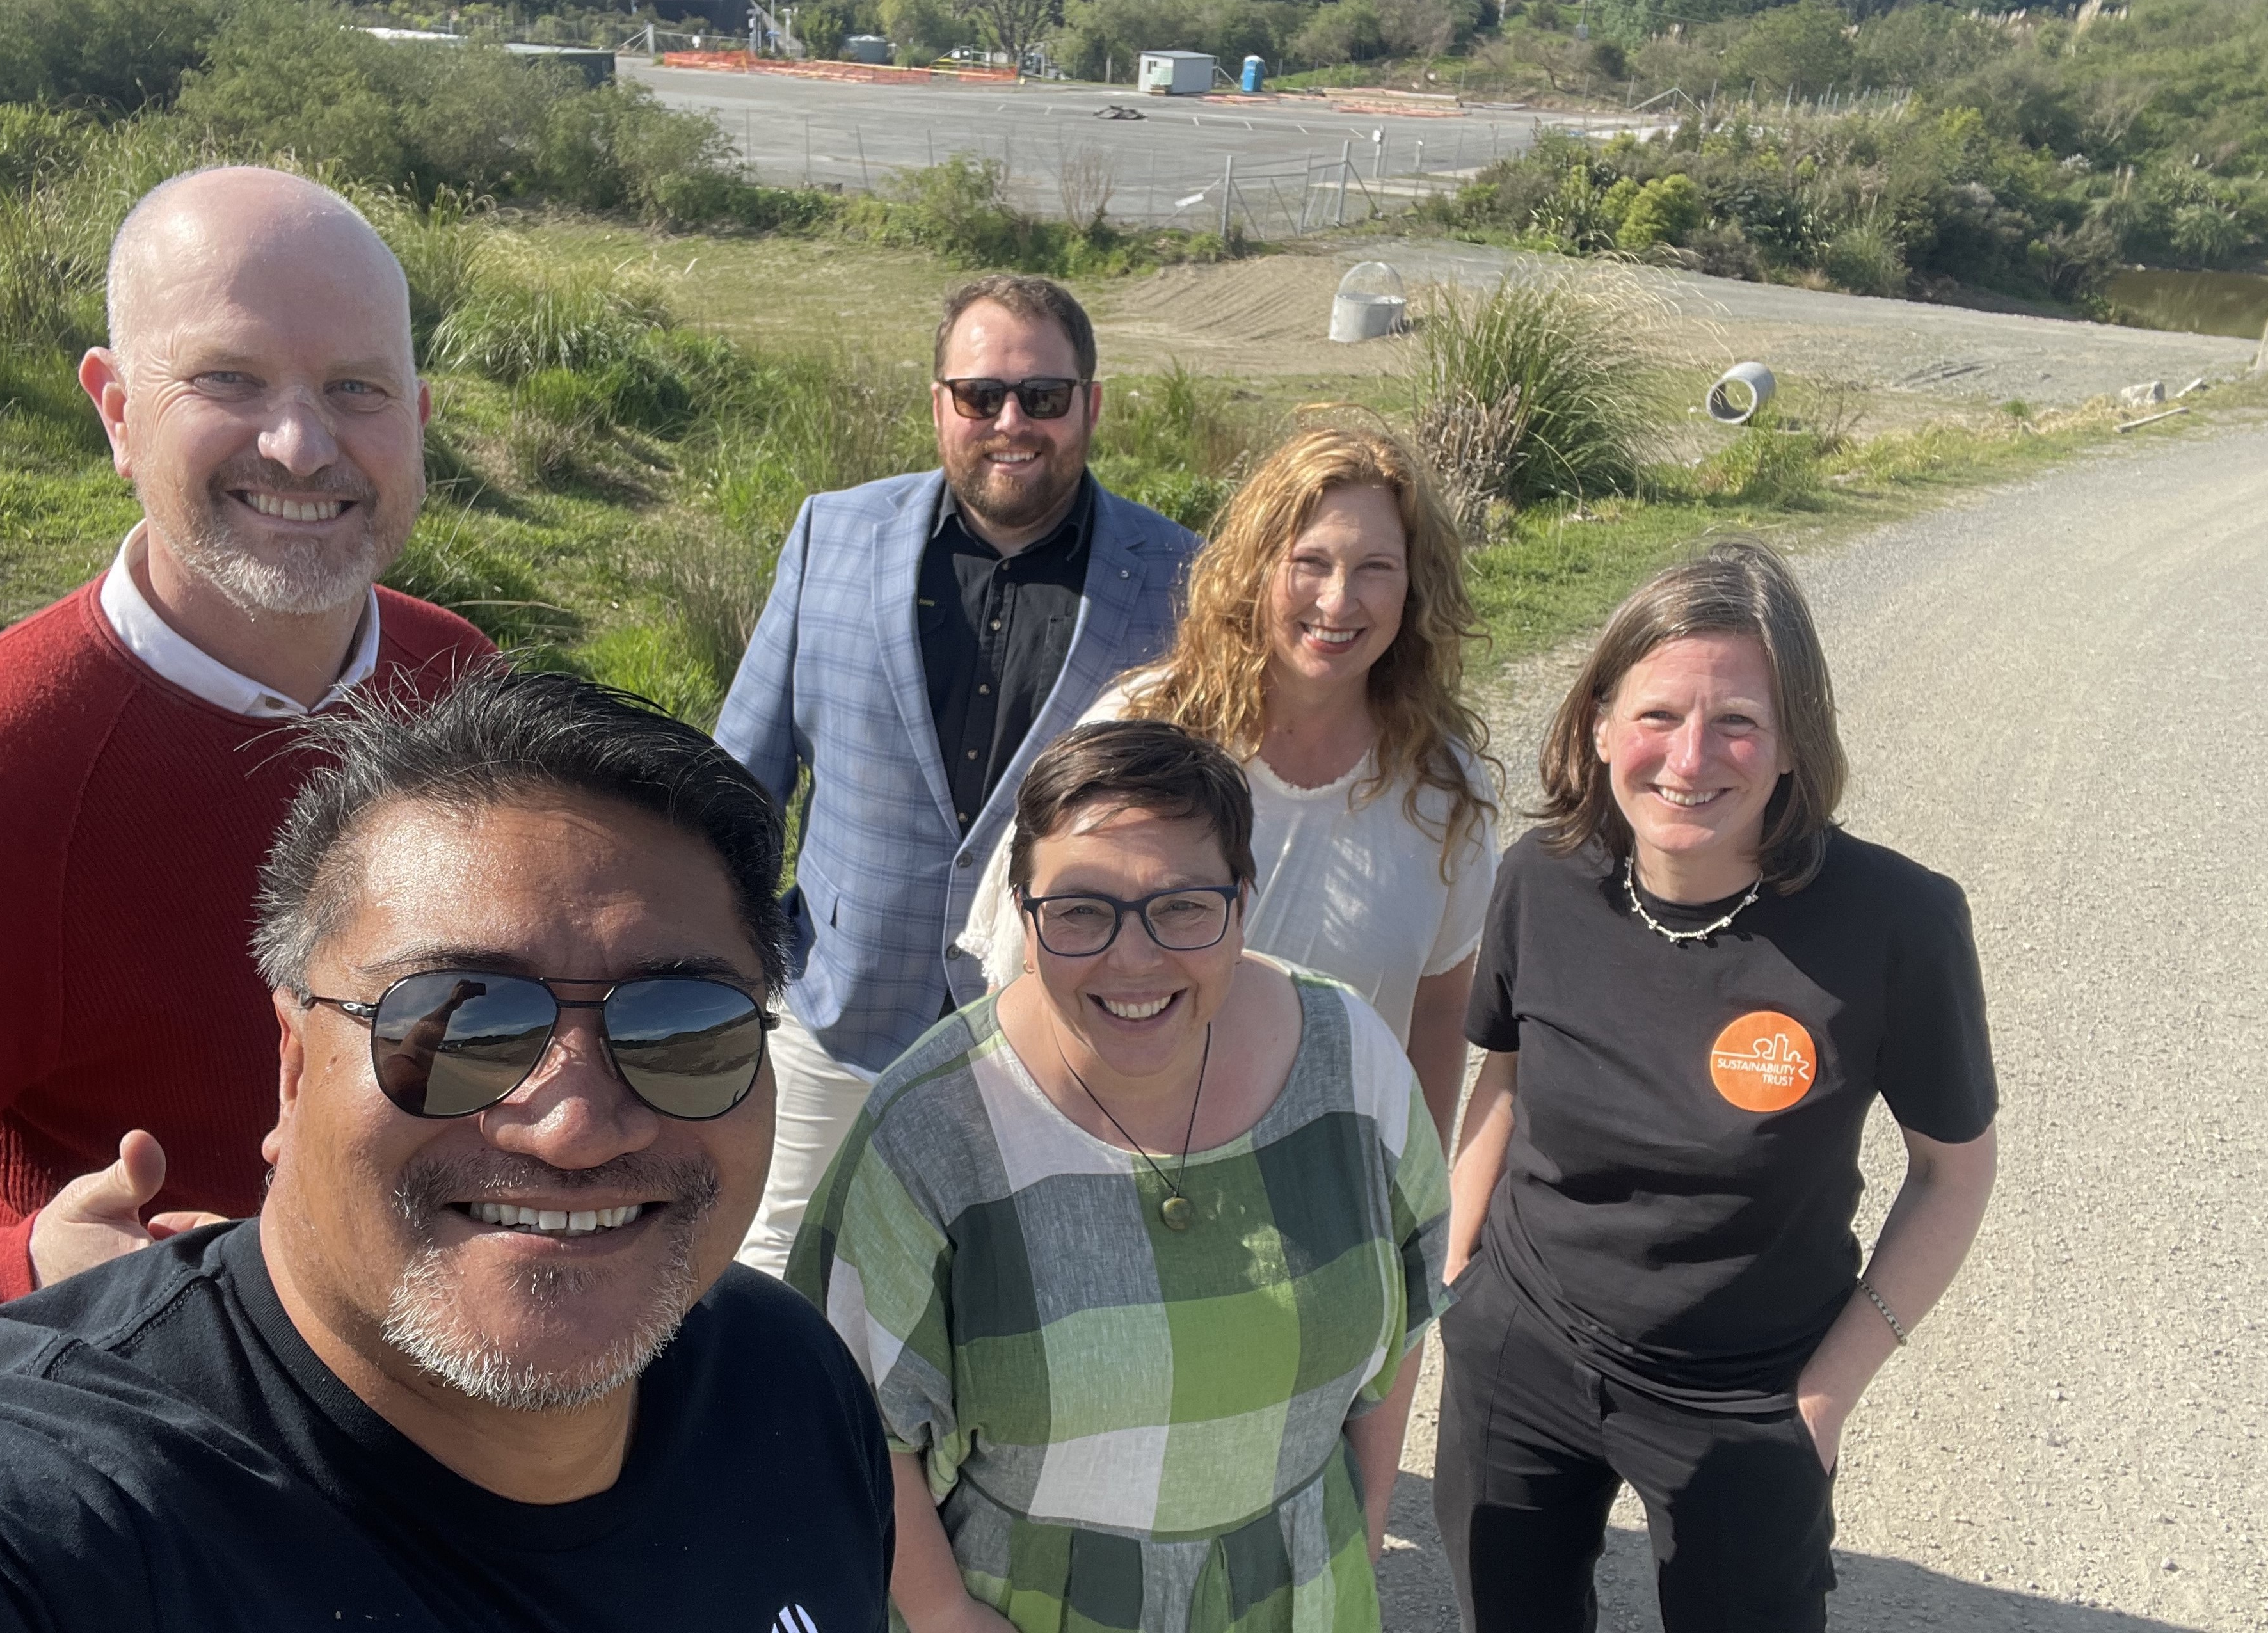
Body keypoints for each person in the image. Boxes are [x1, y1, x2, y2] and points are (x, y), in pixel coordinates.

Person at [0, 669, 895, 1632]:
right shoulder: (71, 1508)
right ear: (292, 1066)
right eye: (458, 1023)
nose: (575, 1121)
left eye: (677, 1027)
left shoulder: (780, 1379)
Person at [0, 167, 498, 1401]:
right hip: (179, 1463)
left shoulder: (452, 671)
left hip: (474, 1405)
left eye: (352, 388)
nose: (301, 445)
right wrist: (22, 1287)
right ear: (115, 410)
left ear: (415, 415)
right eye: (229, 379)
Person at [1433, 542, 2000, 1632]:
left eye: (1737, 720)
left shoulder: (1897, 923)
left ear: (1791, 744)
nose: (1690, 758)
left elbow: (1952, 1172)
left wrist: (1822, 1398)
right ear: (1597, 724)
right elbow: (1502, 1079)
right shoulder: (1540, 878)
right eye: (1656, 715)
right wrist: (1459, 1278)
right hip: (1523, 1341)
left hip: (1747, 1389)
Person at [792, 719, 1449, 1633]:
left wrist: (1364, 1529)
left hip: (1298, 1587)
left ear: (1243, 899)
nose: (1133, 958)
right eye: (1080, 910)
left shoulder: (1350, 1058)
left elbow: (1406, 1314)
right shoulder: (933, 1127)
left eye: (1182, 905)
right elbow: (849, 1413)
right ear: (1022, 915)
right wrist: (944, 1617)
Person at [717, 274, 1199, 1275]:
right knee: (777, 1277)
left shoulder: (1182, 578)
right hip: (833, 1020)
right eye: (981, 396)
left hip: (1057, 1035)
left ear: (1092, 405)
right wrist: (736, 969)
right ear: (939, 403)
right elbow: (736, 785)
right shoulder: (831, 536)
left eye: (1044, 397)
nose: (1011, 421)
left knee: (1013, 1301)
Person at [961, 423, 1498, 1145]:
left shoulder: (1442, 785)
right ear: (1254, 570)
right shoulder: (1142, 726)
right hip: (1122, 1161)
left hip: (1327, 1188)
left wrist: (1419, 1196)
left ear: (1415, 586)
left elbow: (1437, 1010)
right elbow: (1020, 976)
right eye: (1310, 561)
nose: (1339, 602)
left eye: (1376, 567)